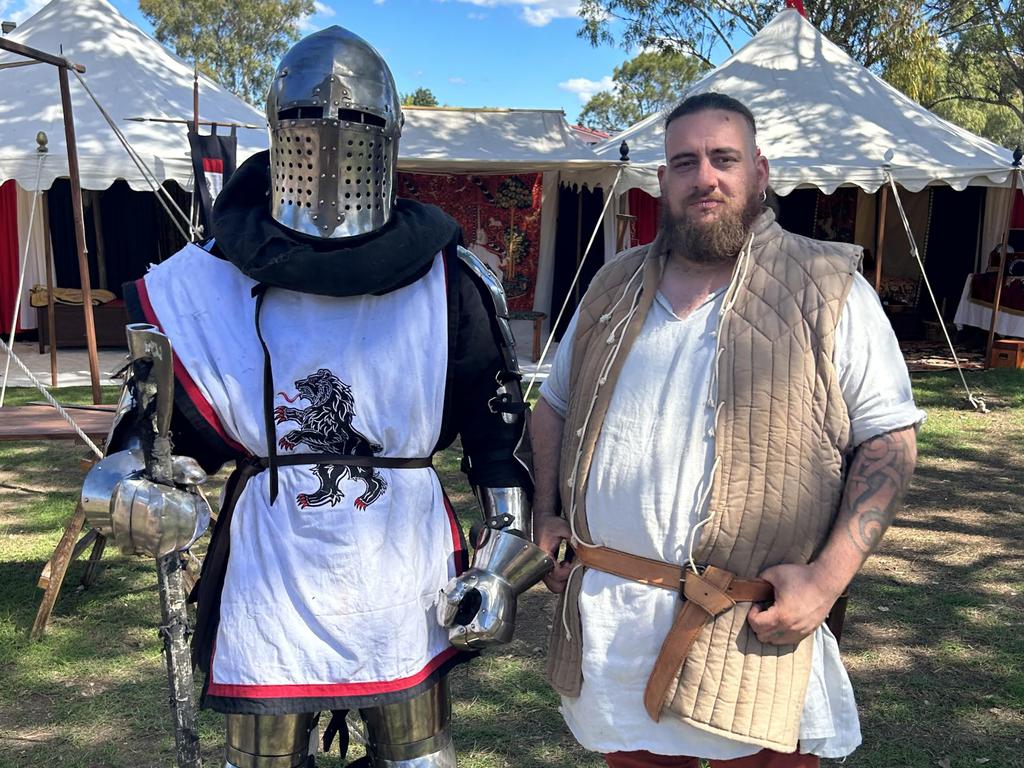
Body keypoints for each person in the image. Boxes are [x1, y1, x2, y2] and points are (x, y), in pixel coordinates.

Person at [80, 26, 552, 768]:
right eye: (307, 123)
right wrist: (126, 485)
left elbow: (501, 452)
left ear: (387, 136)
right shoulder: (205, 283)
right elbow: (149, 438)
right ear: (277, 132)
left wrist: (499, 573)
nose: (331, 143)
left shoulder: (450, 282)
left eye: (357, 123)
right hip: (272, 564)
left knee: (419, 759)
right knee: (261, 760)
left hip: (404, 568)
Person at [531, 92, 923, 768]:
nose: (704, 177)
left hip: (754, 630)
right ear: (662, 181)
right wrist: (544, 512)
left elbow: (888, 441)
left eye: (723, 158)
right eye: (684, 162)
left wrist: (826, 583)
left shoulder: (828, 287)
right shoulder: (612, 287)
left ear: (759, 172)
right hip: (619, 623)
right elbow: (554, 405)